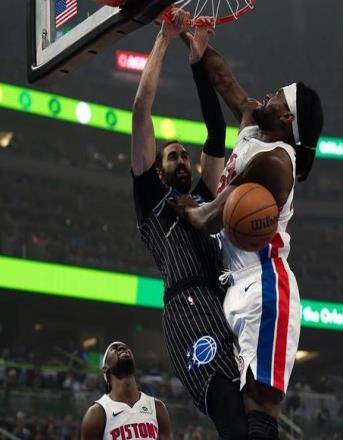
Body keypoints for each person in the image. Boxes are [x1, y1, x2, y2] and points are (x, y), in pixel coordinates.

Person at [170, 37, 323, 439]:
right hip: (235, 285)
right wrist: (193, 40)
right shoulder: (254, 121)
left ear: (286, 117)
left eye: (278, 96)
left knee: (261, 405)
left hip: (266, 284)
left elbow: (209, 218)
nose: (268, 94)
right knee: (237, 409)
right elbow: (223, 78)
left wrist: (187, 208)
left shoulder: (277, 163)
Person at [129, 13, 247, 439]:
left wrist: (198, 59)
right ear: (159, 169)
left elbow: (216, 130)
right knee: (230, 414)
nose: (181, 159)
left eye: (184, 155)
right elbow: (141, 111)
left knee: (254, 415)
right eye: (172, 156)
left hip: (224, 302)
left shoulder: (202, 195)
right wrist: (165, 38)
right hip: (187, 309)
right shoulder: (152, 200)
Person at [81, 342, 171, 440]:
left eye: (126, 348)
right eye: (114, 348)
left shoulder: (157, 407)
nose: (121, 347)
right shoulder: (97, 413)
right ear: (105, 368)